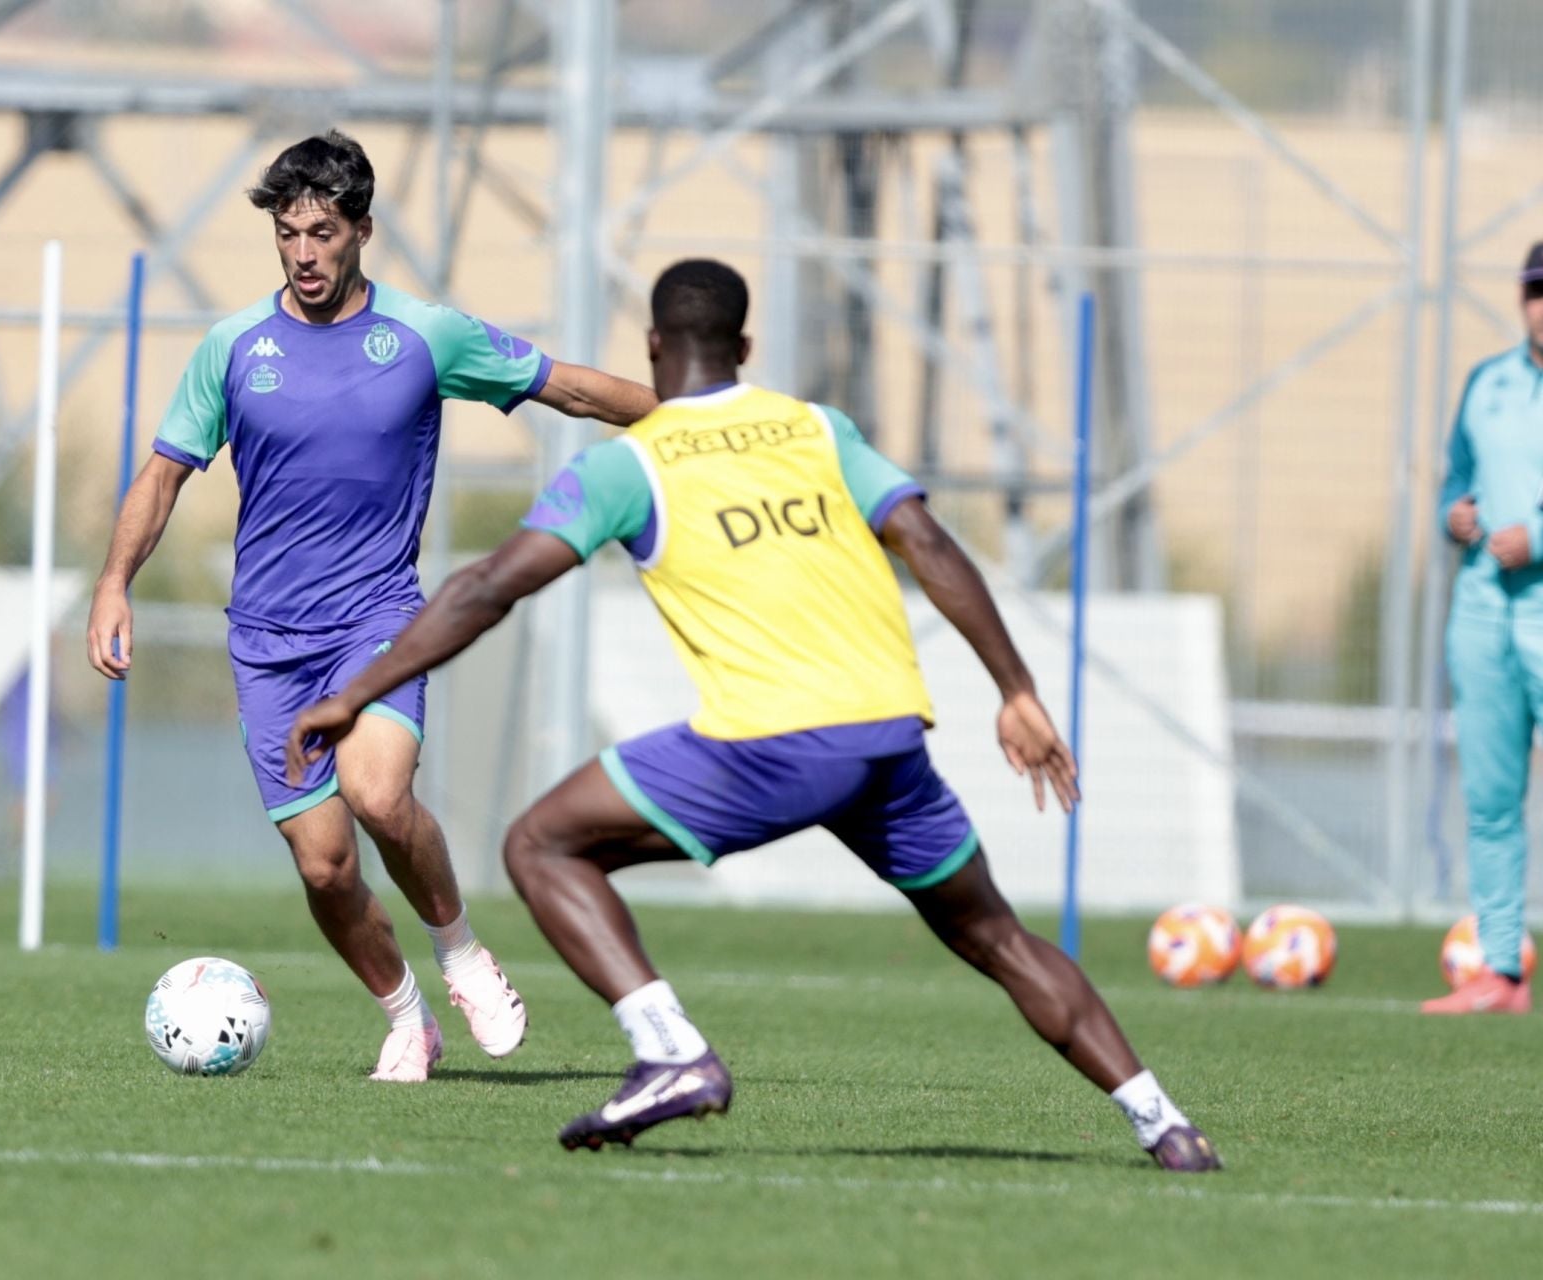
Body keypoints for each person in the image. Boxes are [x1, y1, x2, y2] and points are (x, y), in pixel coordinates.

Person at [285, 258, 1220, 1171]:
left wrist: (355, 692)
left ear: (654, 347)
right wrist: (1016, 690)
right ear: (744, 345)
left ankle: (670, 1051)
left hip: (769, 745)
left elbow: (488, 587)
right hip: (888, 741)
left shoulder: (632, 464)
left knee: (540, 843)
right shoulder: (818, 428)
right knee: (998, 937)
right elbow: (929, 543)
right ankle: (1164, 1122)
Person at [86, 131, 658, 1082]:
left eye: (321, 231)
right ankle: (405, 1017)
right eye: (287, 232)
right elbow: (162, 476)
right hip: (267, 642)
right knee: (324, 866)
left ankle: (464, 953)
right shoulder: (234, 348)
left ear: (360, 229)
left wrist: (699, 417)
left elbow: (568, 387)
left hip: (377, 618)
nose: (303, 253)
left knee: (379, 794)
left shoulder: (424, 336)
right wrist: (113, 583)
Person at [1423, 240, 1543, 1016]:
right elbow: (1455, 474)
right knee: (1493, 798)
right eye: (1537, 291)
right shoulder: (1488, 381)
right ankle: (1500, 971)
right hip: (1482, 609)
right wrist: (1454, 513)